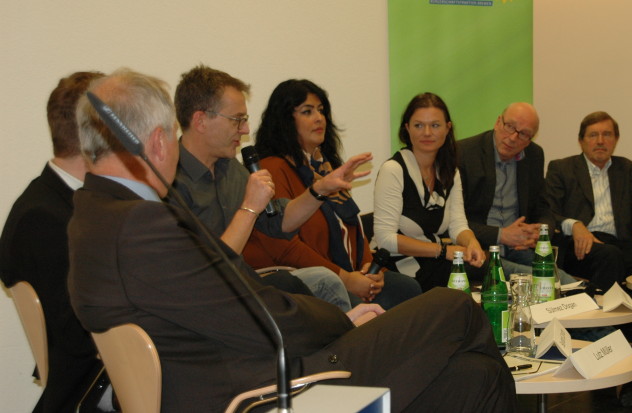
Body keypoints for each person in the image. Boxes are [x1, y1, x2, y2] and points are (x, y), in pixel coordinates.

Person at [68, 68, 518, 413]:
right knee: (454, 307)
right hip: (265, 390)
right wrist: (342, 321)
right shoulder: (143, 225)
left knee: (475, 375)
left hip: (242, 370)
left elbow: (230, 294)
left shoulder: (96, 214)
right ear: (157, 142)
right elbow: (256, 316)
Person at [172, 65, 360, 311]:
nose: (245, 130)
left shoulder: (231, 168)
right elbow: (209, 271)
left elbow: (277, 222)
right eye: (237, 120)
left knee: (326, 283)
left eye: (245, 120)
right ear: (200, 120)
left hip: (245, 286)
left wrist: (320, 189)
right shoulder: (171, 182)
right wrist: (249, 207)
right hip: (207, 301)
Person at [242, 79, 422, 308]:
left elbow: (351, 227)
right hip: (306, 282)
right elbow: (286, 248)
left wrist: (370, 271)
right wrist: (346, 279)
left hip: (347, 273)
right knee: (369, 305)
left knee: (406, 288)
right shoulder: (272, 169)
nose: (319, 118)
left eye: (321, 110)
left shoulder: (324, 166)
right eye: (307, 111)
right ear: (285, 120)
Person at [544, 111, 632, 406]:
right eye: (593, 135)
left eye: (607, 135)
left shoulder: (625, 168)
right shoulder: (562, 168)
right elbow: (549, 211)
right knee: (610, 257)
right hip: (579, 245)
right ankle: (619, 351)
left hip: (618, 243)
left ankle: (627, 340)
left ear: (616, 140)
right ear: (581, 141)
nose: (600, 141)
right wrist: (575, 225)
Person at [0, 71, 107, 412]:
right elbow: (79, 335)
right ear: (97, 137)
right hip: (90, 385)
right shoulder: (43, 219)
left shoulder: (64, 201)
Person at [372, 93, 486, 291]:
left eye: (435, 125)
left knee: (488, 268)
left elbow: (457, 225)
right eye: (418, 125)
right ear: (407, 128)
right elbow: (385, 239)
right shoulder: (394, 170)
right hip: (396, 265)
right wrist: (442, 251)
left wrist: (472, 243)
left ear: (447, 128)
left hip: (434, 260)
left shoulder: (450, 171)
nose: (426, 132)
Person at [457, 102, 576, 284]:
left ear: (530, 139)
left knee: (563, 280)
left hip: (519, 248)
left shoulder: (534, 155)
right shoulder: (464, 153)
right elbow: (454, 221)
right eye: (510, 126)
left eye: (523, 134)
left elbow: (543, 207)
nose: (513, 137)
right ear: (498, 122)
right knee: (550, 281)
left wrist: (540, 232)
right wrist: (501, 235)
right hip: (481, 250)